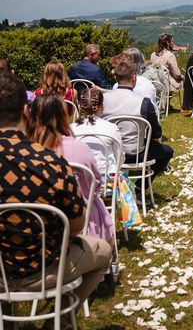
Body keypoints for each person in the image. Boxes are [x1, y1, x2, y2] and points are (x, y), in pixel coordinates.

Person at [0, 72, 111, 307]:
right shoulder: (50, 162)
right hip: (43, 270)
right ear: (25, 112)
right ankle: (62, 316)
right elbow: (76, 226)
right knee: (103, 252)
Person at [27, 93, 115, 246]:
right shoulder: (79, 147)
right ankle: (106, 255)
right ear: (65, 116)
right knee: (94, 201)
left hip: (35, 222)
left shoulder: (26, 151)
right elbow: (96, 184)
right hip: (77, 220)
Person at [103, 57, 173, 179]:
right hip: (135, 154)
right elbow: (156, 133)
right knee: (167, 152)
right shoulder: (144, 103)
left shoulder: (102, 99)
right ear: (134, 77)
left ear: (116, 77)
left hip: (108, 152)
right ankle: (140, 188)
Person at [72, 87, 124, 177]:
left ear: (80, 106)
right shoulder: (111, 128)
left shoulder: (71, 129)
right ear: (102, 106)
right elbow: (120, 158)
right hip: (106, 184)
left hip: (79, 182)